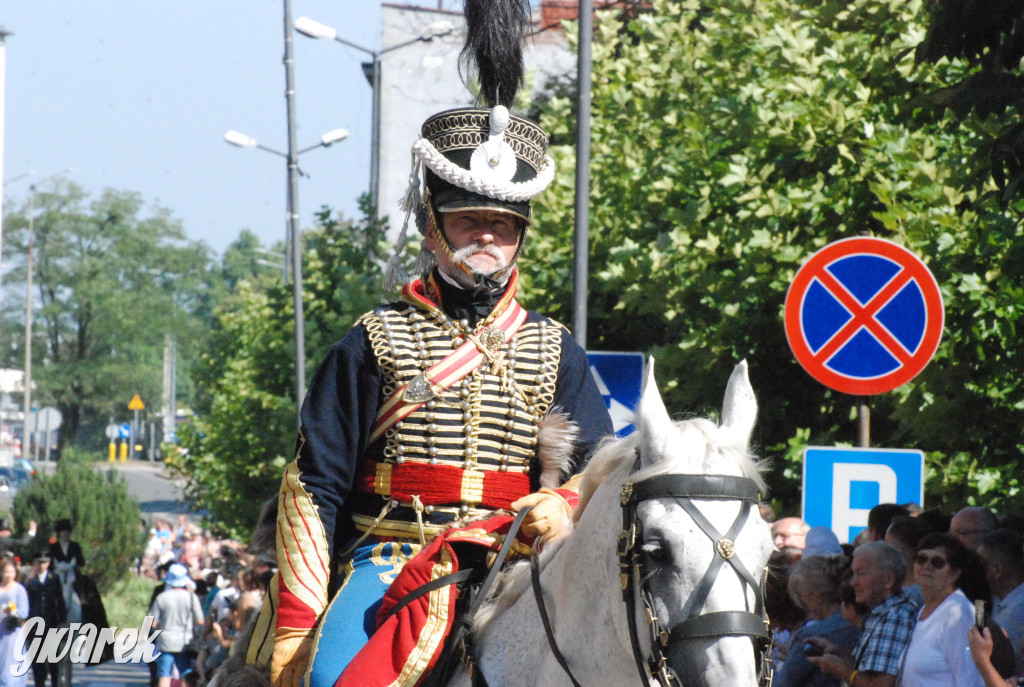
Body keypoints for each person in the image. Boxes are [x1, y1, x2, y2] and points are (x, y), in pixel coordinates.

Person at [252, 3, 613, 686]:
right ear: (432, 228)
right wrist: (298, 622)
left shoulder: (554, 346)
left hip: (518, 560)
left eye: (503, 225)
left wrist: (559, 503)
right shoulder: (371, 340)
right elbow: (313, 486)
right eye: (469, 220)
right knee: (335, 681)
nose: (487, 237)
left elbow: (596, 470)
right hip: (392, 558)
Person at [810, 541, 919, 687]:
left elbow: (882, 684)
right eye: (854, 573)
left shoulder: (894, 616)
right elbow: (869, 673)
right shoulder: (882, 614)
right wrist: (840, 655)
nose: (853, 582)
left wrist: (843, 671)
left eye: (861, 573)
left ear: (888, 580)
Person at [900, 532, 988, 687]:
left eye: (937, 562)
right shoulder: (924, 611)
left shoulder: (958, 613)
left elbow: (970, 680)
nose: (927, 566)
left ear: (955, 573)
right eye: (921, 559)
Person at [776, 554, 861, 687]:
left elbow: (782, 683)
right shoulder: (863, 624)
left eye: (800, 596)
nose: (801, 605)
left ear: (816, 597)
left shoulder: (809, 636)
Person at [149, 563, 204, 687]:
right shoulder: (191, 597)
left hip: (165, 640)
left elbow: (152, 622)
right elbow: (200, 620)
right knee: (185, 672)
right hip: (185, 640)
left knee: (164, 674)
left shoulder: (162, 597)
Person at [977, 528, 1024, 671]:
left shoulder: (1019, 609)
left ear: (997, 569)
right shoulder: (993, 598)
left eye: (980, 565)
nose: (975, 572)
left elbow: (996, 658)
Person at [24, 553, 66, 687]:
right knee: (37, 660)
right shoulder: (31, 579)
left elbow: (60, 600)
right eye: (40, 562)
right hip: (35, 624)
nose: (42, 565)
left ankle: (55, 683)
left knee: (53, 658)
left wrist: (62, 620)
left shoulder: (54, 578)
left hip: (51, 623)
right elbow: (27, 602)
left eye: (44, 562)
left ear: (48, 563)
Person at [0, 556, 29, 686]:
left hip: (12, 632)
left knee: (9, 667)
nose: (9, 575)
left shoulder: (19, 589)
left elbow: (24, 611)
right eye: (6, 572)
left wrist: (12, 613)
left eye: (12, 572)